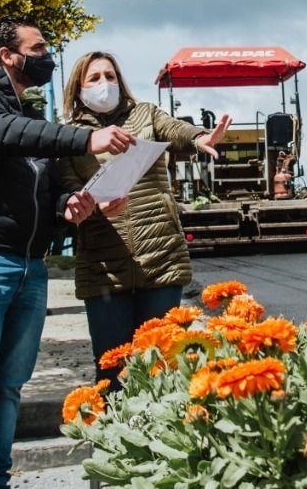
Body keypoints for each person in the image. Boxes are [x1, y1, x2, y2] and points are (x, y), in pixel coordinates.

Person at [0, 16, 133, 488]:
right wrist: (87, 137)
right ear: (7, 54)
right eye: (38, 48)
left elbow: (41, 194)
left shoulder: (27, 113)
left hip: (29, 266)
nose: (46, 56)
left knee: (7, 386)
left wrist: (75, 205)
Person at [58, 51, 232, 387]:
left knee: (164, 369)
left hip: (161, 259)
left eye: (110, 76)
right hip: (104, 268)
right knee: (112, 373)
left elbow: (174, 129)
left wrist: (199, 137)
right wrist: (91, 208)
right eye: (94, 78)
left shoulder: (145, 114)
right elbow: (68, 191)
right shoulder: (71, 136)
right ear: (78, 88)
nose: (104, 84)